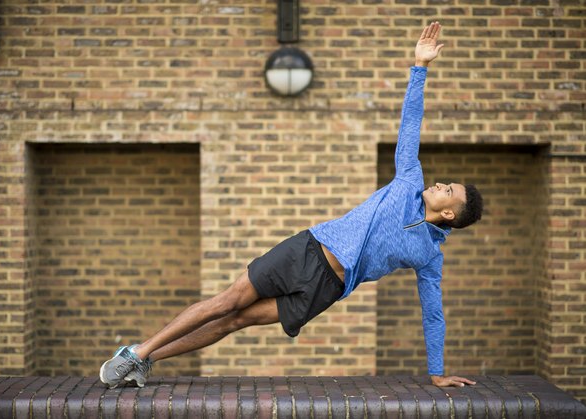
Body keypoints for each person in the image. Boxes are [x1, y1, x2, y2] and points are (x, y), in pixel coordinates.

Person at [100, 21, 483, 389]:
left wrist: (437, 372)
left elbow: (432, 311)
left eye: (447, 190)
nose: (438, 184)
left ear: (449, 214)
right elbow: (410, 124)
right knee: (228, 301)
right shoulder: (408, 182)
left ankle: (148, 361)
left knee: (237, 321)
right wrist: (419, 67)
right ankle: (138, 351)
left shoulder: (429, 255)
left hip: (326, 288)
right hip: (306, 250)